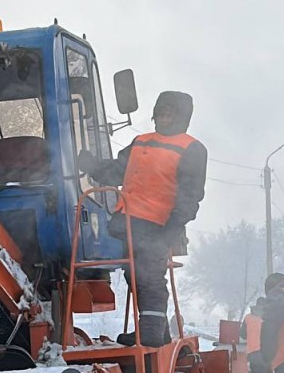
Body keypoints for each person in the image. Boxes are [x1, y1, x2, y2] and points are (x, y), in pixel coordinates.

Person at [77, 91, 207, 347]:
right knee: (133, 275)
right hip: (128, 223)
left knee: (150, 277)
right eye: (160, 112)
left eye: (169, 113)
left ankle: (149, 333)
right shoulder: (141, 141)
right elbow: (116, 171)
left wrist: (171, 230)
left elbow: (190, 195)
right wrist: (91, 165)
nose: (163, 117)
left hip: (158, 227)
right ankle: (156, 331)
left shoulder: (192, 148)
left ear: (182, 117)